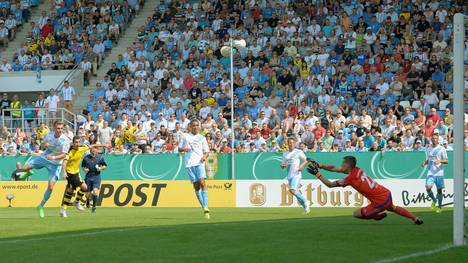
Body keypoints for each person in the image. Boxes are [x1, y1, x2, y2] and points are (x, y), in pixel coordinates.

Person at [306, 156, 423, 225]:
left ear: (348, 166)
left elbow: (330, 184)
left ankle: (375, 216)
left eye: (343, 164)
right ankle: (415, 218)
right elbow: (333, 168)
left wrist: (317, 173)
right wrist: (319, 164)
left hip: (380, 201)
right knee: (392, 207)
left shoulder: (350, 178)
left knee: (356, 214)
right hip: (386, 193)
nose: (341, 165)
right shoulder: (356, 169)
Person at [17, 121, 71, 218]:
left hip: (55, 164)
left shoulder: (65, 140)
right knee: (23, 169)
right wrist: (44, 144)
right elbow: (43, 144)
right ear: (54, 128)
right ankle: (29, 172)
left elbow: (65, 155)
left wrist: (54, 158)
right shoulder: (49, 135)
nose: (60, 130)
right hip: (44, 157)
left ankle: (40, 206)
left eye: (61, 128)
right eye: (58, 128)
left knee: (50, 187)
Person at [60, 136, 109, 217]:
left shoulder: (82, 148)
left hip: (76, 172)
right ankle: (75, 203)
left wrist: (104, 145)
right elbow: (64, 162)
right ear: (73, 143)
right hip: (70, 173)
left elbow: (92, 145)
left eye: (79, 142)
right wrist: (64, 172)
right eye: (76, 142)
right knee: (84, 188)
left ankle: (64, 209)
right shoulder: (70, 152)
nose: (77, 144)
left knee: (70, 190)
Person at [178, 119, 210, 219]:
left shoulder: (202, 138)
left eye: (197, 125)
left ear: (199, 127)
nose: (195, 127)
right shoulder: (185, 136)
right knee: (196, 186)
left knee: (202, 182)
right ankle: (203, 206)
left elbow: (207, 152)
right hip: (189, 164)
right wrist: (184, 149)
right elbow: (179, 148)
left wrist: (204, 157)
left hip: (199, 163)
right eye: (193, 125)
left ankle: (206, 207)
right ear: (190, 126)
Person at [281, 137, 311, 214]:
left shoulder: (298, 151)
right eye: (289, 142)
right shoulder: (285, 153)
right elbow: (282, 164)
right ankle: (306, 208)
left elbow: (307, 160)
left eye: (292, 143)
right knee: (295, 192)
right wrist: (283, 165)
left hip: (296, 174)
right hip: (289, 176)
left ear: (295, 144)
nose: (291, 144)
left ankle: (306, 201)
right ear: (287, 144)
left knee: (292, 190)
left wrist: (301, 166)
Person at [422, 133, 449, 213]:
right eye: (433, 138)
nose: (434, 140)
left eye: (436, 138)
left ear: (438, 140)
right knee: (428, 187)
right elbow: (429, 159)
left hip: (439, 173)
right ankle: (434, 200)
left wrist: (440, 161)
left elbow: (447, 161)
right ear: (431, 139)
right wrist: (425, 163)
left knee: (439, 190)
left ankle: (440, 207)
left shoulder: (442, 149)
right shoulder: (429, 148)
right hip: (430, 172)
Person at [81, 145, 108, 213]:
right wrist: (85, 169)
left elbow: (105, 166)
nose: (94, 150)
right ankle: (87, 200)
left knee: (95, 192)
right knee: (87, 195)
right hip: (88, 177)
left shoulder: (100, 158)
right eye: (92, 149)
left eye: (95, 149)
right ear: (90, 150)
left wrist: (100, 168)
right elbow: (83, 166)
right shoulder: (86, 158)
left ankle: (94, 207)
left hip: (96, 177)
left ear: (97, 151)